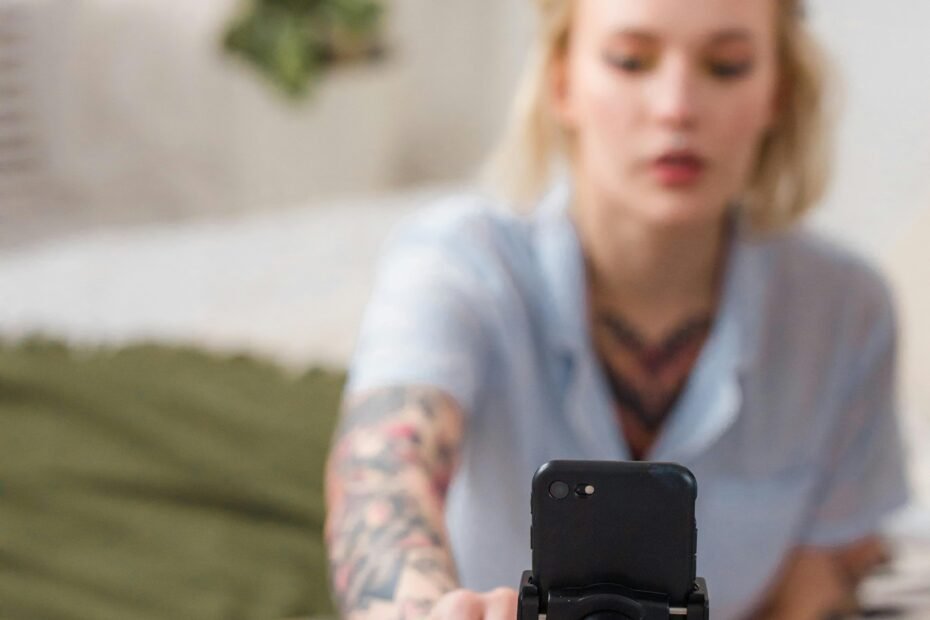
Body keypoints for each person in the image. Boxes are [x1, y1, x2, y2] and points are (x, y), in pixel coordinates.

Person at [324, 0, 910, 618]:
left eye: (727, 66)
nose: (676, 107)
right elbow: (381, 482)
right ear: (562, 82)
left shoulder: (846, 311)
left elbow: (818, 584)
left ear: (778, 93)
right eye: (632, 61)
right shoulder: (458, 261)